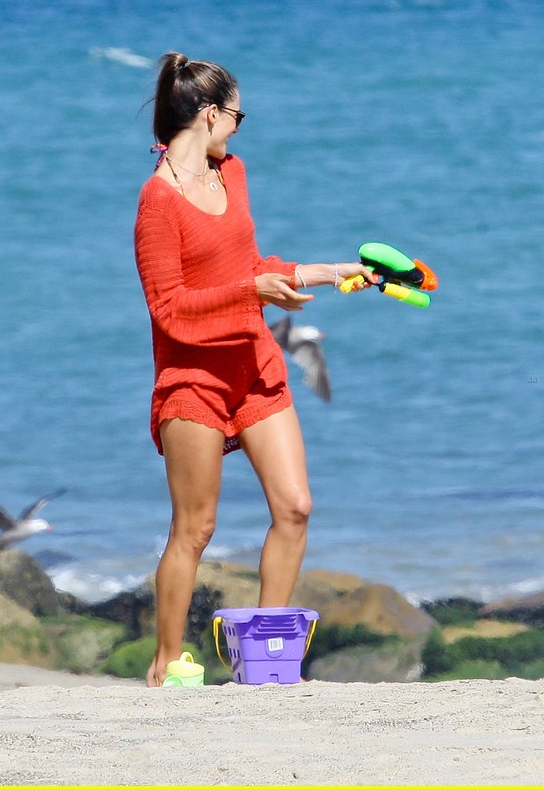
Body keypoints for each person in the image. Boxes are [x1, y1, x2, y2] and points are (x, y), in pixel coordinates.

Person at [134, 52, 374, 687]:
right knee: (196, 527)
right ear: (209, 114)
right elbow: (169, 309)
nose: (240, 127)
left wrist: (323, 271)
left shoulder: (231, 173)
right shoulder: (158, 201)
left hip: (255, 362)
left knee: (295, 507)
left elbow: (248, 265)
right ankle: (166, 661)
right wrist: (255, 293)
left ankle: (267, 661)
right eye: (237, 114)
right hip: (194, 378)